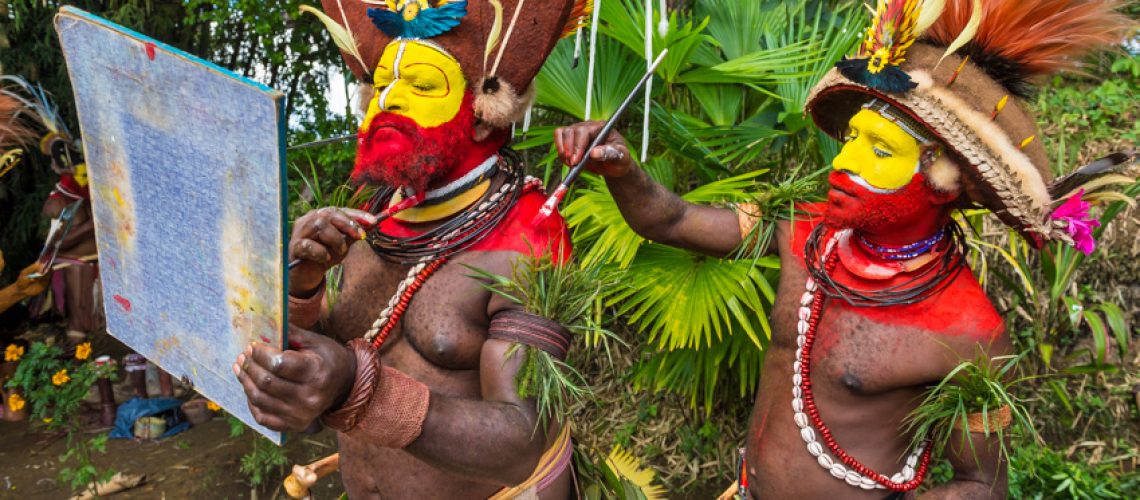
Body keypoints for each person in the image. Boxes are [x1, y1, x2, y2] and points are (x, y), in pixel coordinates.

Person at [555, 0, 1132, 498]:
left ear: (946, 180)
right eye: (854, 137)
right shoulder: (801, 228)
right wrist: (623, 168)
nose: (843, 161)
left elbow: (982, 485)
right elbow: (675, 220)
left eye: (879, 151)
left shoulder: (968, 332)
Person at [234, 1, 591, 498]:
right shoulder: (368, 220)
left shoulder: (527, 237)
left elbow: (520, 446)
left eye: (421, 85)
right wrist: (302, 289)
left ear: (483, 115)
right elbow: (316, 403)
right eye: (381, 86)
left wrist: (357, 389)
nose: (388, 102)